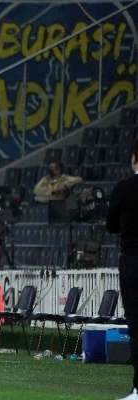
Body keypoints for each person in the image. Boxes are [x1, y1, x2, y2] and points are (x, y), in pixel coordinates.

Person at [107, 139, 138, 400]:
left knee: (137, 324)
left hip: (133, 261)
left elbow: (111, 225)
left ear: (134, 158)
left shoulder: (124, 188)